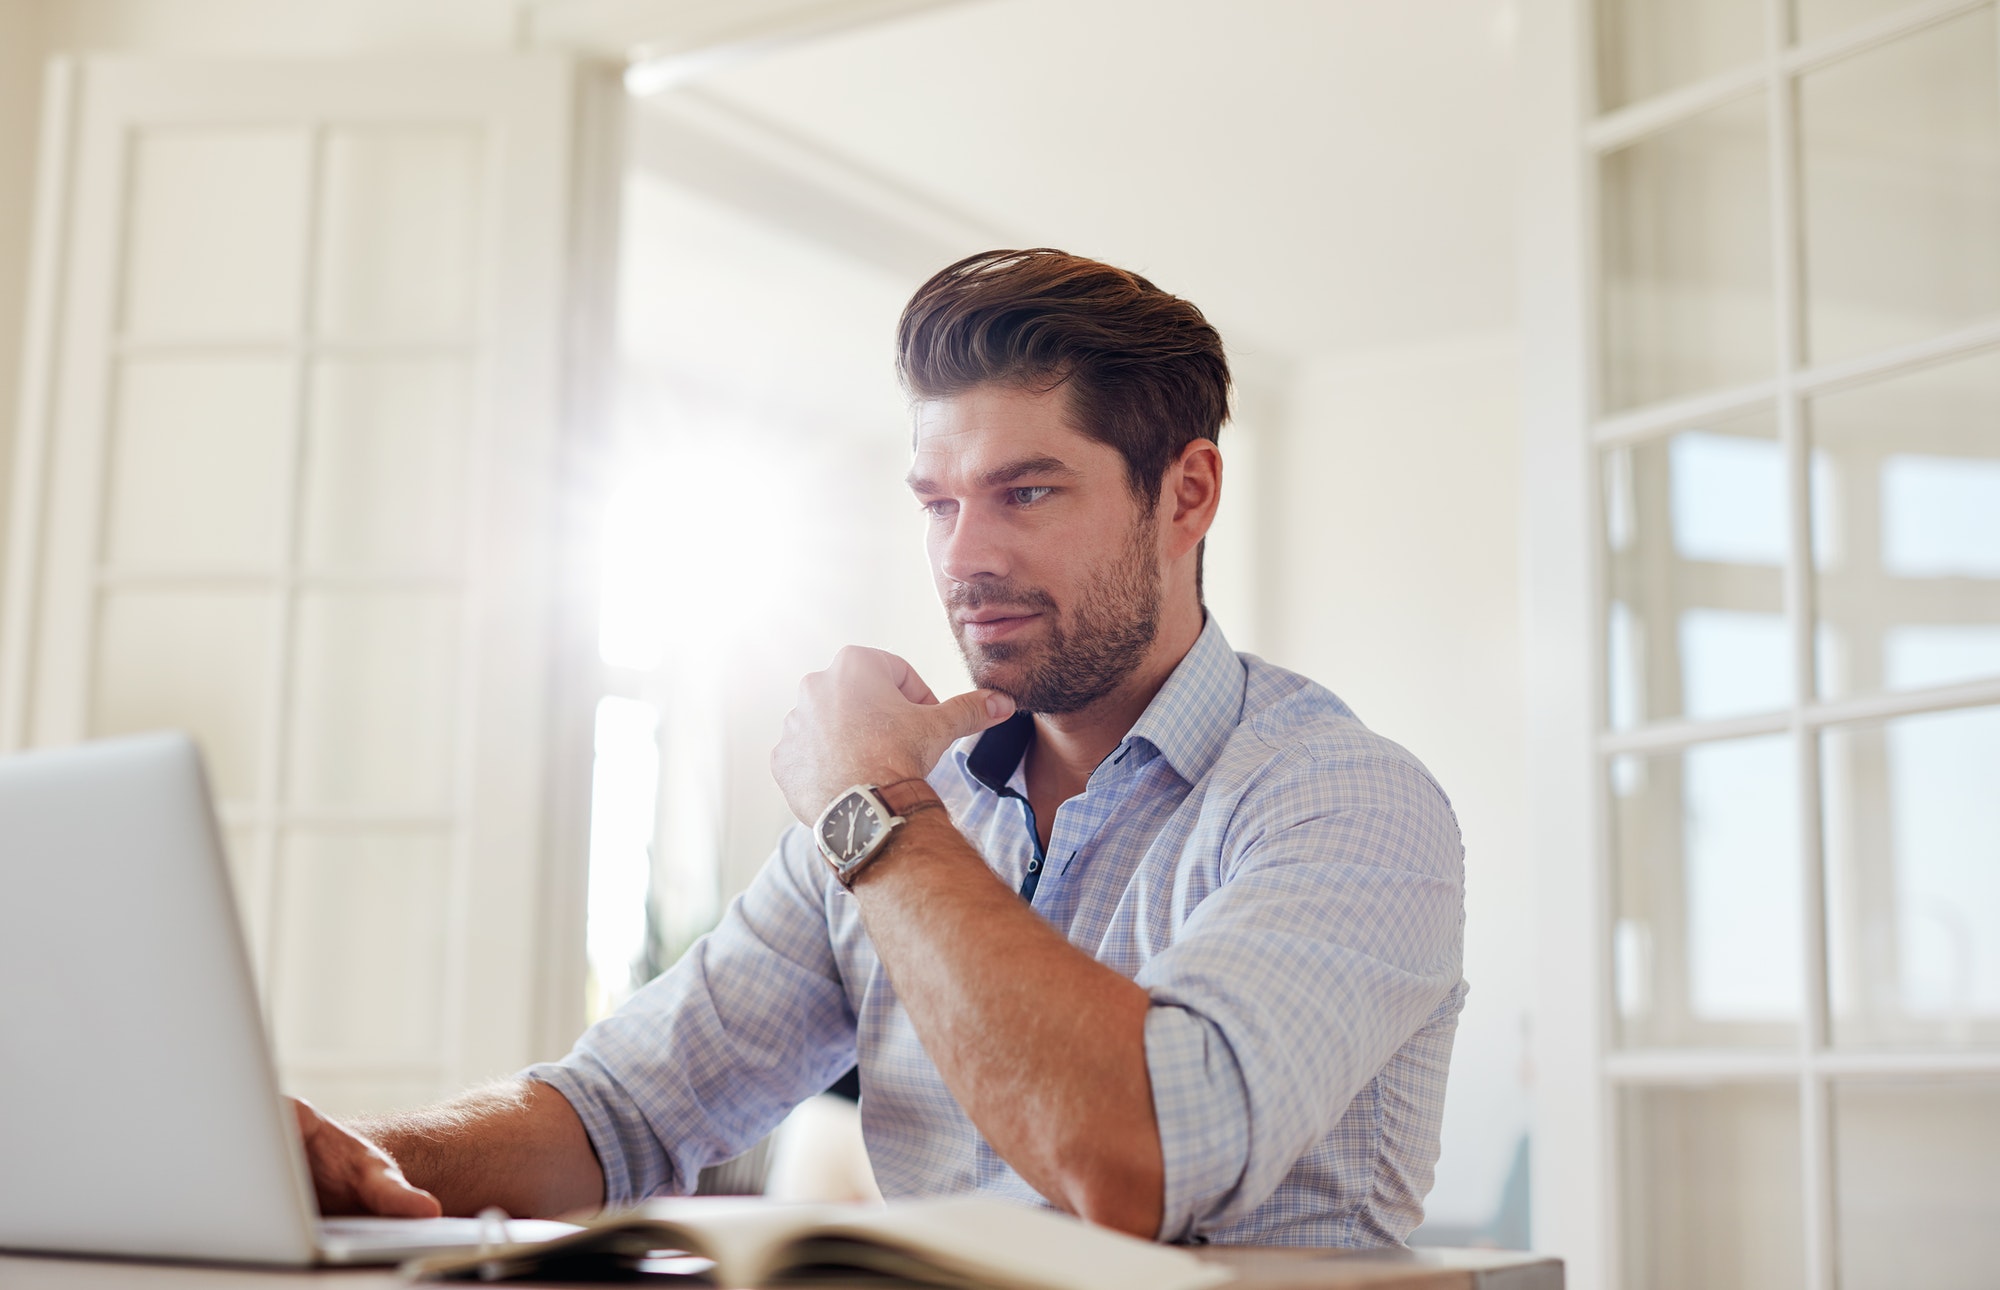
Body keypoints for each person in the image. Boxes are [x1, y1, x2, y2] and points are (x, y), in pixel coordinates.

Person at [298, 249, 1467, 1247]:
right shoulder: (910, 805)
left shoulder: (1344, 802)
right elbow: (619, 1112)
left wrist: (872, 804)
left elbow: (1130, 1164)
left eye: (1025, 491)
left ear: (1186, 494)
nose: (964, 558)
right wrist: (345, 1163)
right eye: (937, 502)